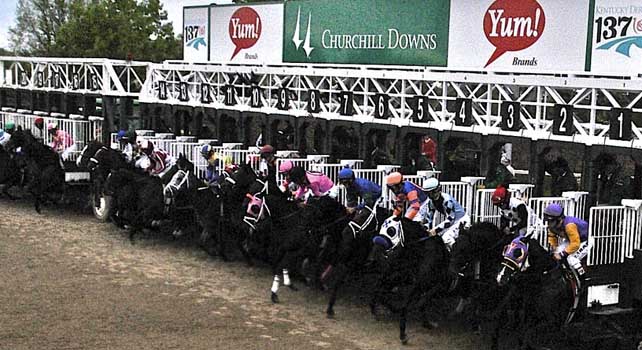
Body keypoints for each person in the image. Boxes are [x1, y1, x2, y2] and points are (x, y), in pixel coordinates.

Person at [416, 177, 469, 250]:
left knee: (446, 238)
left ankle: (457, 255)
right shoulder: (431, 201)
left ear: (437, 190)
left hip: (461, 220)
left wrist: (435, 230)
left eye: (431, 192)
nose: (429, 195)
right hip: (453, 222)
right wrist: (426, 229)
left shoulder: (447, 201)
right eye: (427, 193)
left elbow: (450, 220)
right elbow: (429, 219)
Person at [543, 203, 590, 282]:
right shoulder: (552, 226)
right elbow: (552, 236)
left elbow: (575, 244)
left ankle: (583, 280)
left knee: (571, 259)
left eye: (551, 221)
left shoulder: (569, 226)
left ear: (558, 220)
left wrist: (563, 254)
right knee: (557, 252)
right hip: (571, 239)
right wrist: (553, 247)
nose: (549, 224)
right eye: (547, 221)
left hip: (586, 240)